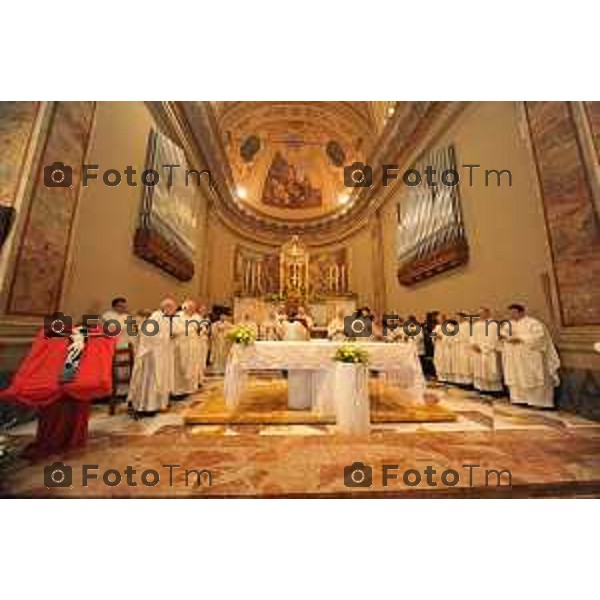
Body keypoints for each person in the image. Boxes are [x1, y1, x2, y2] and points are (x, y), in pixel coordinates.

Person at [0, 319, 116, 457]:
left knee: (63, 406)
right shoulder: (88, 337)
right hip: (70, 381)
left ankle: (60, 439)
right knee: (69, 405)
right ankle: (70, 439)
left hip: (61, 379)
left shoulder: (58, 336)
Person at [500, 304, 560, 408]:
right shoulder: (508, 324)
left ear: (521, 312)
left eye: (513, 312)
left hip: (530, 357)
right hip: (515, 357)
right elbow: (503, 335)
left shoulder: (534, 323)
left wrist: (521, 338)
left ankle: (539, 402)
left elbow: (540, 338)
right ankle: (520, 400)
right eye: (510, 313)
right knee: (517, 377)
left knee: (532, 378)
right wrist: (507, 338)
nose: (511, 315)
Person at [127, 296, 177, 417]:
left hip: (161, 354)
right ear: (167, 307)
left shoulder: (163, 318)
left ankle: (158, 404)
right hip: (152, 356)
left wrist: (169, 337)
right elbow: (148, 335)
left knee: (159, 380)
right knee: (151, 382)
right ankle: (148, 406)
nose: (174, 312)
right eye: (173, 309)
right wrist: (167, 338)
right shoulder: (156, 317)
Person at [172, 299, 204, 397]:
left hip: (192, 346)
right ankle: (178, 391)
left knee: (192, 367)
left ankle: (188, 388)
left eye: (194, 309)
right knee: (180, 370)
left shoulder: (192, 317)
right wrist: (191, 330)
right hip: (181, 347)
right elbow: (175, 330)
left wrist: (198, 330)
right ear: (185, 307)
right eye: (191, 308)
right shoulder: (178, 316)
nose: (193, 310)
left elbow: (200, 329)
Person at [471, 307, 503, 394]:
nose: (480, 315)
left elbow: (493, 338)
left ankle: (493, 390)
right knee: (479, 371)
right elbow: (472, 337)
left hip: (488, 351)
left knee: (490, 372)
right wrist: (474, 344)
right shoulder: (476, 325)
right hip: (477, 351)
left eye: (482, 313)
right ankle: (480, 387)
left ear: (488, 313)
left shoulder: (493, 324)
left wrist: (485, 348)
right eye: (479, 313)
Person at [433, 313, 452, 383]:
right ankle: (439, 376)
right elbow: (433, 334)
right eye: (437, 319)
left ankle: (446, 377)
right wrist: (434, 337)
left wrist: (442, 337)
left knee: (445, 361)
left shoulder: (449, 327)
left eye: (439, 319)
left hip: (445, 347)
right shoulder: (437, 327)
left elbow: (451, 336)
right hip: (438, 346)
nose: (438, 321)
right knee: (438, 360)